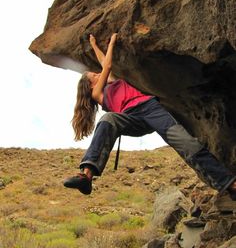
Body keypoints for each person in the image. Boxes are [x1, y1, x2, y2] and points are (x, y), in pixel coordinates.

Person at [64, 33, 236, 200]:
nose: (97, 73)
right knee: (108, 119)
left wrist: (94, 44)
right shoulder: (97, 94)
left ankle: (229, 184)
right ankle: (86, 176)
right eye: (93, 75)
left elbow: (104, 62)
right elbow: (106, 65)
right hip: (131, 119)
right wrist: (112, 43)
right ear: (90, 85)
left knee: (186, 143)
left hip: (151, 109)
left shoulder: (115, 81)